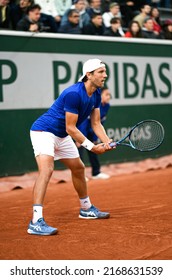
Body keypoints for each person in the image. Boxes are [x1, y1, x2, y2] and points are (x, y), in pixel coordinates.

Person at [28, 58, 113, 236]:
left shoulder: (96, 93)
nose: (105, 75)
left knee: (78, 168)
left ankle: (86, 208)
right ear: (89, 75)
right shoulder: (74, 93)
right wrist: (91, 147)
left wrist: (106, 141)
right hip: (44, 131)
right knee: (47, 170)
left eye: (105, 71)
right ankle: (36, 221)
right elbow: (70, 127)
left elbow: (96, 123)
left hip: (62, 135)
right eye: (101, 72)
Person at [77, 87, 111, 180]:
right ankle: (80, 176)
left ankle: (96, 173)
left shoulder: (107, 106)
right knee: (79, 153)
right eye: (106, 94)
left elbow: (100, 123)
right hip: (80, 130)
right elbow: (84, 122)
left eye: (109, 95)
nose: (108, 97)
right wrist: (80, 138)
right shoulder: (93, 104)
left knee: (94, 151)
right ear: (100, 96)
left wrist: (95, 138)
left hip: (92, 131)